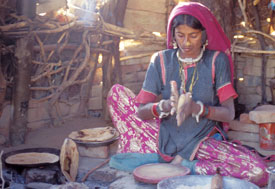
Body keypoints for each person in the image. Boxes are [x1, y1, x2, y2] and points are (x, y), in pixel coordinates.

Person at [107, 2, 268, 187]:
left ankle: (184, 165)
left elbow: (229, 113)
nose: (186, 43)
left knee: (257, 172)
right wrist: (163, 107)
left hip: (202, 140)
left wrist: (196, 108)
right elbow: (141, 112)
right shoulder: (160, 60)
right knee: (116, 94)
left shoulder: (217, 60)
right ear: (172, 34)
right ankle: (169, 159)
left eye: (194, 35)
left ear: (204, 35)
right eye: (180, 35)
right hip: (163, 137)